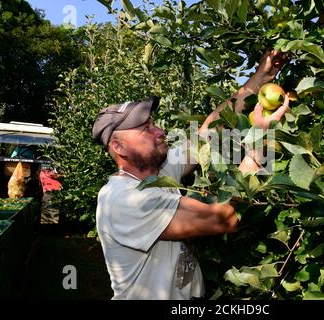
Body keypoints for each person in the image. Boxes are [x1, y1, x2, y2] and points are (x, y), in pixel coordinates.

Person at [91, 50, 290, 300]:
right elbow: (224, 218)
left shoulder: (157, 173)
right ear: (119, 148)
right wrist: (258, 141)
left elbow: (209, 132)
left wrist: (263, 74)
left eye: (154, 123)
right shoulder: (124, 200)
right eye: (146, 128)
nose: (160, 131)